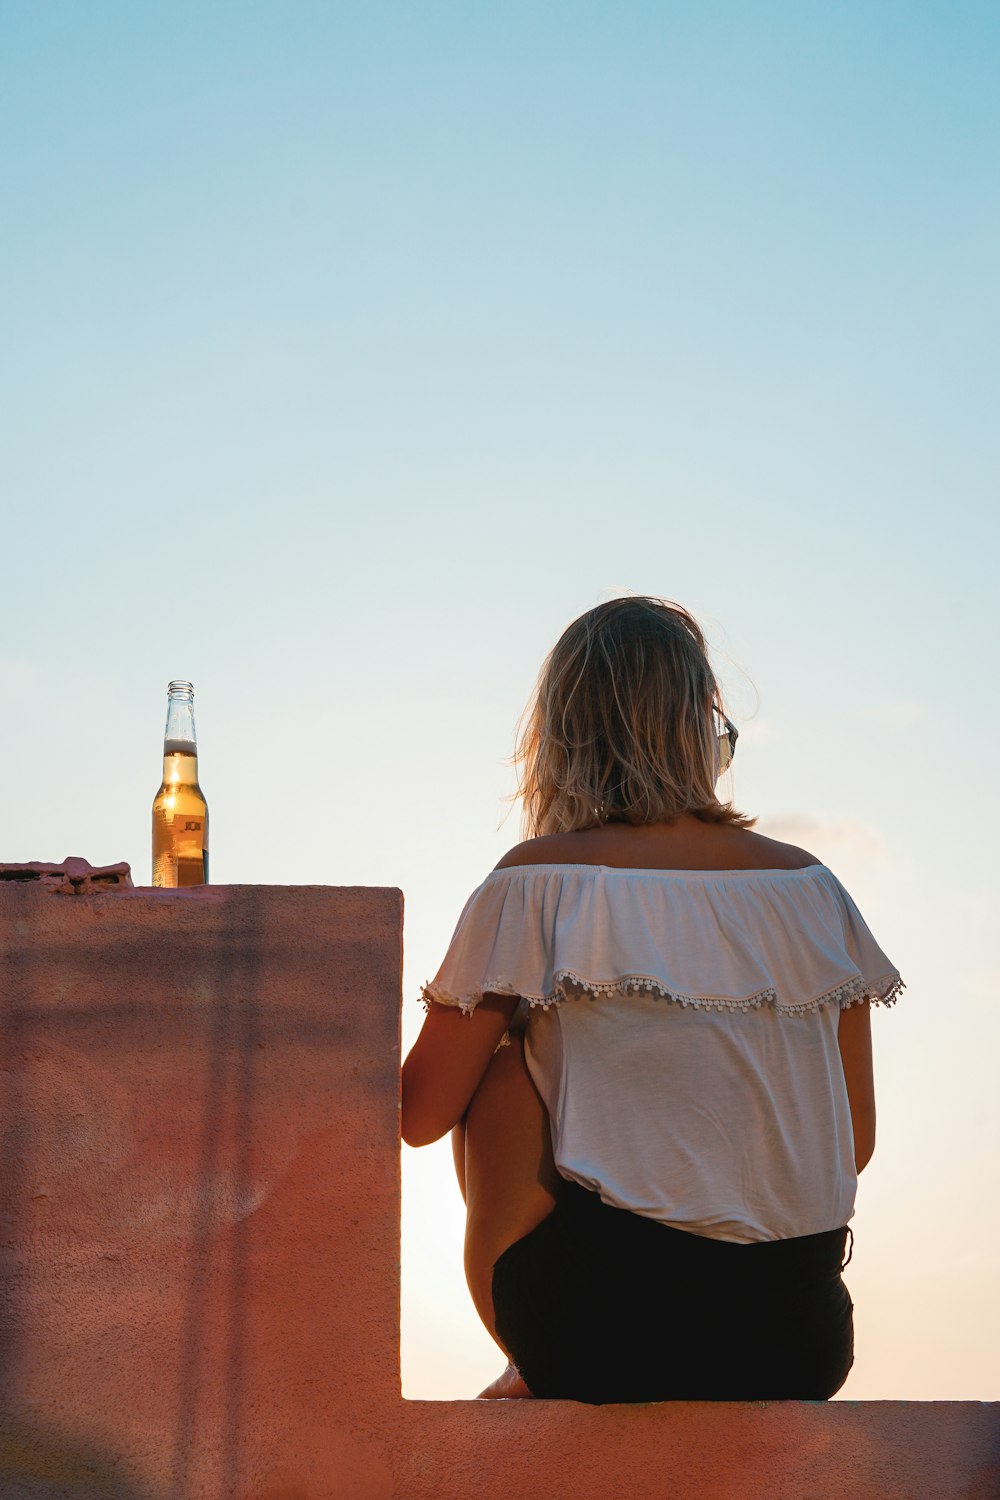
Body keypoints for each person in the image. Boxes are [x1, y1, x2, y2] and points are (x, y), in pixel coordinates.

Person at [401, 597, 902, 1403]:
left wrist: (531, 1027)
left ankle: (523, 1366)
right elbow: (853, 1143)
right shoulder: (813, 890)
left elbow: (419, 1114)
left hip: (602, 1337)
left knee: (499, 1072)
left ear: (561, 736)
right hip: (800, 1341)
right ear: (700, 727)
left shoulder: (536, 882)